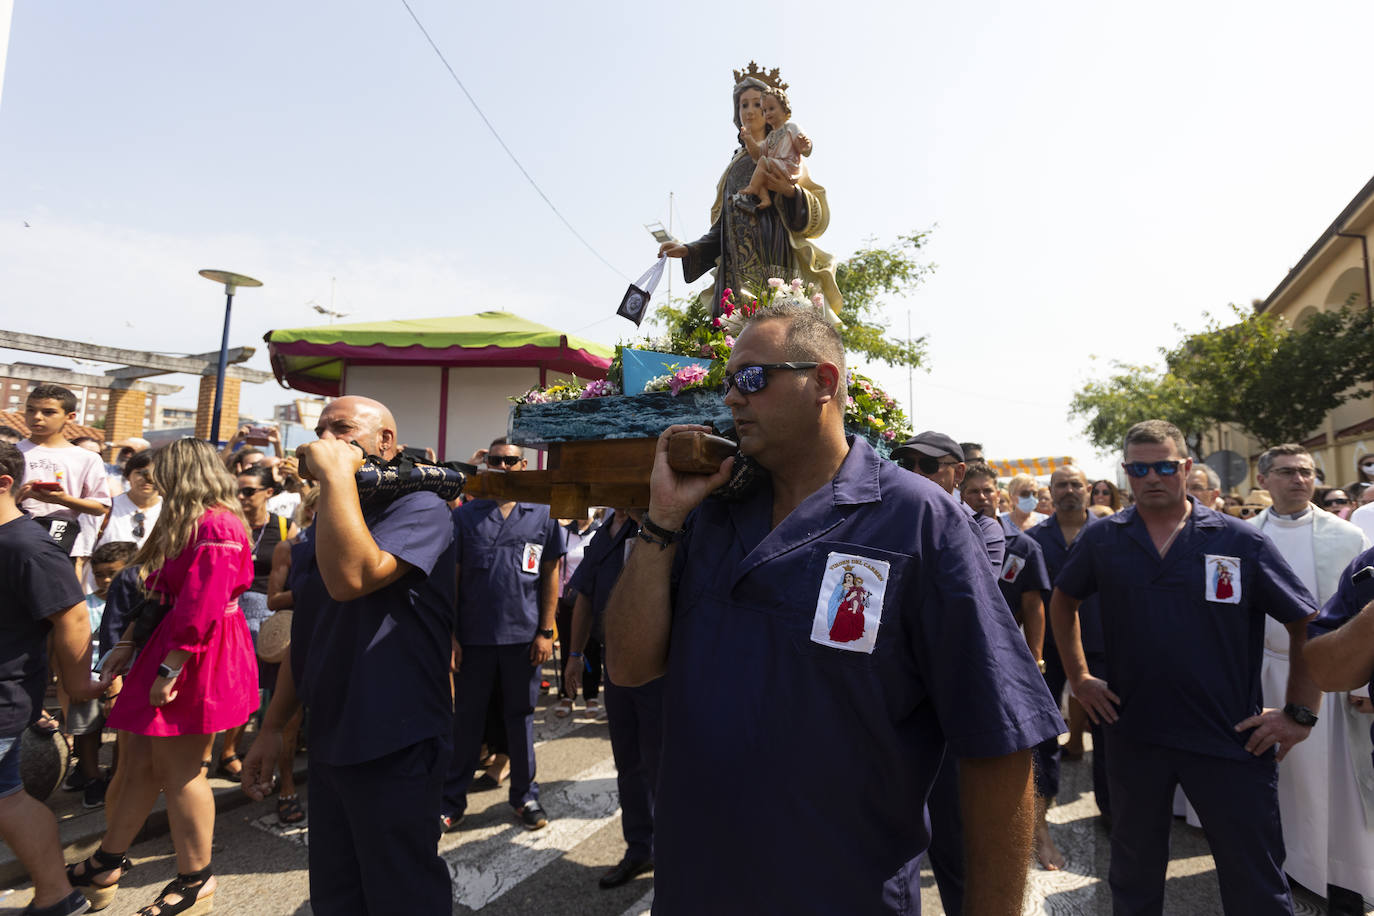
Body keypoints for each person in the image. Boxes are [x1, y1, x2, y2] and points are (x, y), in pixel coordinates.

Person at [604, 301, 1062, 914]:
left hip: (841, 893)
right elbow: (630, 667)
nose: (732, 399)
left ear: (824, 382)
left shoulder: (919, 521)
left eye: (751, 378)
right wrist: (661, 523)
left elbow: (1001, 741)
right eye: (725, 383)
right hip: (696, 888)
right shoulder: (707, 512)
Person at [1049, 420, 1320, 915]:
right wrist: (1081, 679)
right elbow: (1062, 600)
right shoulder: (1104, 539)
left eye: (1166, 466)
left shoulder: (1239, 541)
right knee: (1134, 871)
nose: (1153, 477)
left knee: (1254, 873)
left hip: (1229, 735)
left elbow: (1305, 622)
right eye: (1140, 468)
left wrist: (1300, 712)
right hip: (1135, 732)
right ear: (1127, 472)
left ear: (1187, 468)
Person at [240, 396, 457, 914]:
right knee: (338, 893)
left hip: (395, 736)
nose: (324, 440)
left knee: (402, 890)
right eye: (319, 430)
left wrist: (335, 477)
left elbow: (354, 579)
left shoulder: (421, 507)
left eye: (341, 429)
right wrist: (273, 727)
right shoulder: (328, 521)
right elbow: (311, 630)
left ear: (386, 443)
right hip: (334, 734)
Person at [68, 437, 259, 915]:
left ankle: (197, 880)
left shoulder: (215, 524)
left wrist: (171, 666)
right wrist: (129, 643)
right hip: (172, 645)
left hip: (196, 653)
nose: (153, 479)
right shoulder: (189, 520)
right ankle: (108, 861)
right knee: (135, 764)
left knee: (180, 772)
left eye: (163, 470)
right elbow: (156, 591)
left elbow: (201, 609)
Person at [1249, 444, 1373, 914]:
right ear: (1264, 480)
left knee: (1340, 789)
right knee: (1283, 785)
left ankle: (1344, 878)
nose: (1299, 480)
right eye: (1286, 472)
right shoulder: (1244, 536)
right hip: (1267, 671)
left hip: (1332, 682)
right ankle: (1289, 867)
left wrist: (1361, 685)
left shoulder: (1345, 535)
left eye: (1306, 472)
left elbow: (1363, 614)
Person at [891, 432, 1007, 914]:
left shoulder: (983, 528)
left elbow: (963, 603)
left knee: (956, 846)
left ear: (956, 473)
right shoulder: (891, 518)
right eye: (906, 463)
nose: (915, 472)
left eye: (927, 464)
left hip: (955, 703)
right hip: (900, 706)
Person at [0, 441, 102, 916]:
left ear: (4, 484)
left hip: (4, 694)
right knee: (8, 798)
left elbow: (73, 618)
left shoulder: (28, 545)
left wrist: (76, 685)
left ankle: (57, 896)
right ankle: (57, 897)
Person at [445, 438, 565, 832]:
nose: (503, 467)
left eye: (510, 462)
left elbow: (550, 574)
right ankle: (451, 800)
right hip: (475, 640)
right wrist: (452, 636)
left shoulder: (542, 514)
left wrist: (546, 631)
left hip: (523, 638)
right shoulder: (465, 517)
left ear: (523, 465)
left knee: (521, 719)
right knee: (466, 721)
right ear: (487, 465)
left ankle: (525, 796)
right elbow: (454, 582)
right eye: (495, 461)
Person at [658, 69, 840, 318]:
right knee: (732, 336)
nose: (750, 111)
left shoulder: (784, 153)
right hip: (734, 269)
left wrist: (788, 191)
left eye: (758, 104)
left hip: (774, 258)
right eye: (744, 105)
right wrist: (689, 249)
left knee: (775, 333)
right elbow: (722, 229)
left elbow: (807, 216)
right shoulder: (735, 167)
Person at [962, 463, 1064, 871]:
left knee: (1034, 749)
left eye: (990, 492)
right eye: (974, 492)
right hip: (964, 661)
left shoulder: (1023, 546)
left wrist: (1036, 658)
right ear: (961, 494)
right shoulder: (949, 533)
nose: (983, 498)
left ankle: (1039, 832)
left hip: (1012, 662)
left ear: (1000, 497)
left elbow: (1034, 607)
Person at [563, 508, 663, 889]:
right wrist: (574, 655)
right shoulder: (606, 532)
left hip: (658, 666)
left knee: (661, 764)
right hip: (615, 664)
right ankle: (640, 849)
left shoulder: (661, 522)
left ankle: (672, 854)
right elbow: (585, 595)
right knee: (629, 764)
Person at [1028, 465, 1108, 807]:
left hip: (1102, 643)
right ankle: (1041, 804)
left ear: (1087, 489)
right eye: (1061, 485)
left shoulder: (1110, 534)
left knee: (1106, 728)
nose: (1069, 490)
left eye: (1076, 484)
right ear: (1051, 490)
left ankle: (1110, 804)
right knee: (1044, 727)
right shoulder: (1034, 538)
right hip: (1047, 644)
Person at [63, 540, 138, 809]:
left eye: (113, 574)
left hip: (125, 677)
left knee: (124, 731)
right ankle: (92, 776)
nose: (105, 580)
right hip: (90, 677)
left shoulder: (135, 605)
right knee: (86, 728)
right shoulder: (84, 605)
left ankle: (119, 776)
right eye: (99, 574)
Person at [18, 384, 110, 556]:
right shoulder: (11, 452)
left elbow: (100, 507)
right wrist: (22, 495)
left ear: (70, 417)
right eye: (31, 410)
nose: (37, 417)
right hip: (12, 537)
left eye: (48, 412)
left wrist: (63, 499)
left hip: (59, 541)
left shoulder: (87, 458)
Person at [71, 449, 161, 584]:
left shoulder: (173, 512)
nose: (147, 478)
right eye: (140, 472)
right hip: (99, 598)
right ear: (128, 476)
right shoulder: (102, 509)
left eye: (155, 473)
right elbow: (79, 560)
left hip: (151, 595)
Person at [734, 86, 811, 213]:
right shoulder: (770, 138)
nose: (767, 113)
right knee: (761, 170)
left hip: (788, 166)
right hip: (774, 168)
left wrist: (805, 146)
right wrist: (748, 139)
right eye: (764, 110)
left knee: (763, 164)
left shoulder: (791, 127)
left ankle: (753, 187)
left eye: (771, 109)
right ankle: (764, 198)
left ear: (784, 109)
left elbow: (804, 146)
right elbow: (758, 155)